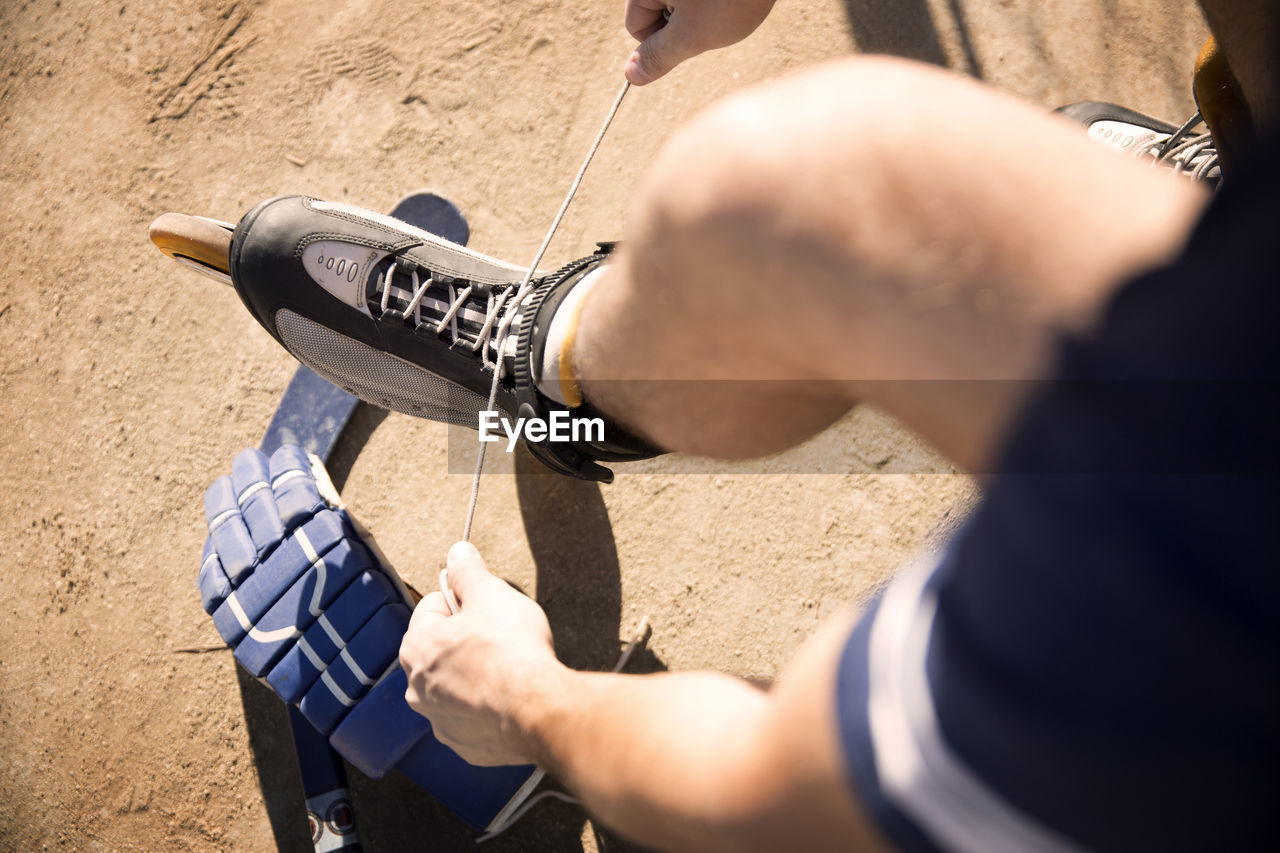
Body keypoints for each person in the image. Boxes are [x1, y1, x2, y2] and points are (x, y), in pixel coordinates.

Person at [386, 2, 1280, 850]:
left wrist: (521, 699)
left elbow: (769, 795)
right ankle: (574, 378)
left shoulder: (1182, 614)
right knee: (778, 192)